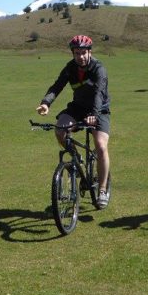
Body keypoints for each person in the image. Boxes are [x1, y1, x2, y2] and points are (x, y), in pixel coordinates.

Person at [36, 35, 111, 207]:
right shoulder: (70, 68)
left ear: (89, 52)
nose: (80, 56)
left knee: (100, 146)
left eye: (83, 53)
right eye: (77, 53)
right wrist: (46, 103)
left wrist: (94, 114)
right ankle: (76, 158)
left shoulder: (99, 69)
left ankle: (102, 189)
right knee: (60, 130)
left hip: (99, 110)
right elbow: (57, 86)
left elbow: (99, 93)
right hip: (77, 108)